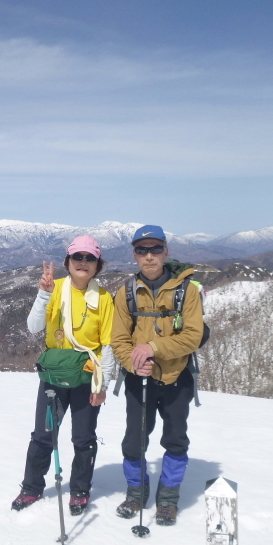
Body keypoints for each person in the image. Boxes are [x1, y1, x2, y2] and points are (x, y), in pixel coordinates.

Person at [11, 235, 116, 516]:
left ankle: (80, 489)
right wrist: (44, 293)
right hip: (54, 377)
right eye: (78, 257)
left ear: (97, 265)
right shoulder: (53, 288)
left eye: (89, 258)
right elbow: (33, 327)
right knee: (43, 435)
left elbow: (107, 345)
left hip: (86, 377)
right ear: (68, 262)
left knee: (83, 438)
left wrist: (103, 383)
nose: (83, 263)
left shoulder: (105, 299)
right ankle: (31, 487)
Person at [111, 224, 204, 526]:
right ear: (134, 254)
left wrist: (152, 347)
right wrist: (132, 363)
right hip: (139, 380)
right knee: (133, 441)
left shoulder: (187, 291)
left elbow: (193, 336)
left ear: (166, 251)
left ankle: (167, 499)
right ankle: (136, 492)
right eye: (142, 250)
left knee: (175, 440)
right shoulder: (125, 293)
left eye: (155, 249)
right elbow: (119, 339)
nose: (149, 256)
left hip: (176, 378)